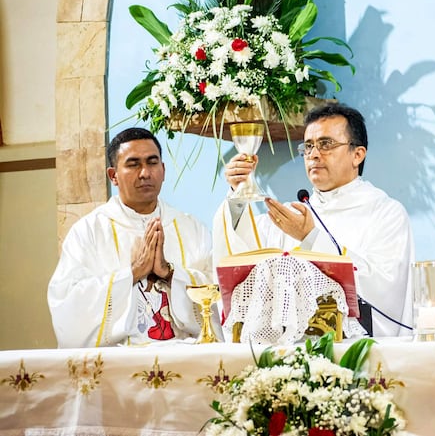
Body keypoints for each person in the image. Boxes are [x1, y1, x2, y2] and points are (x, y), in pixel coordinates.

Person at [213, 103, 414, 337]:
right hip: (287, 358)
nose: (314, 155)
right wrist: (238, 195)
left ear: (357, 155)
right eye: (308, 147)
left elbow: (384, 289)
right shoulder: (291, 214)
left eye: (326, 144)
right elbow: (243, 253)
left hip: (357, 355)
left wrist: (311, 238)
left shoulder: (386, 213)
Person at [48, 128, 221, 347]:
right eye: (133, 164)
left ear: (163, 170)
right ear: (114, 176)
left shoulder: (191, 228)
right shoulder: (89, 232)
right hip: (117, 363)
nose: (145, 173)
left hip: (185, 355)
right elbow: (67, 302)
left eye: (152, 162)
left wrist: (169, 273)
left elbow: (218, 294)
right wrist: (132, 273)